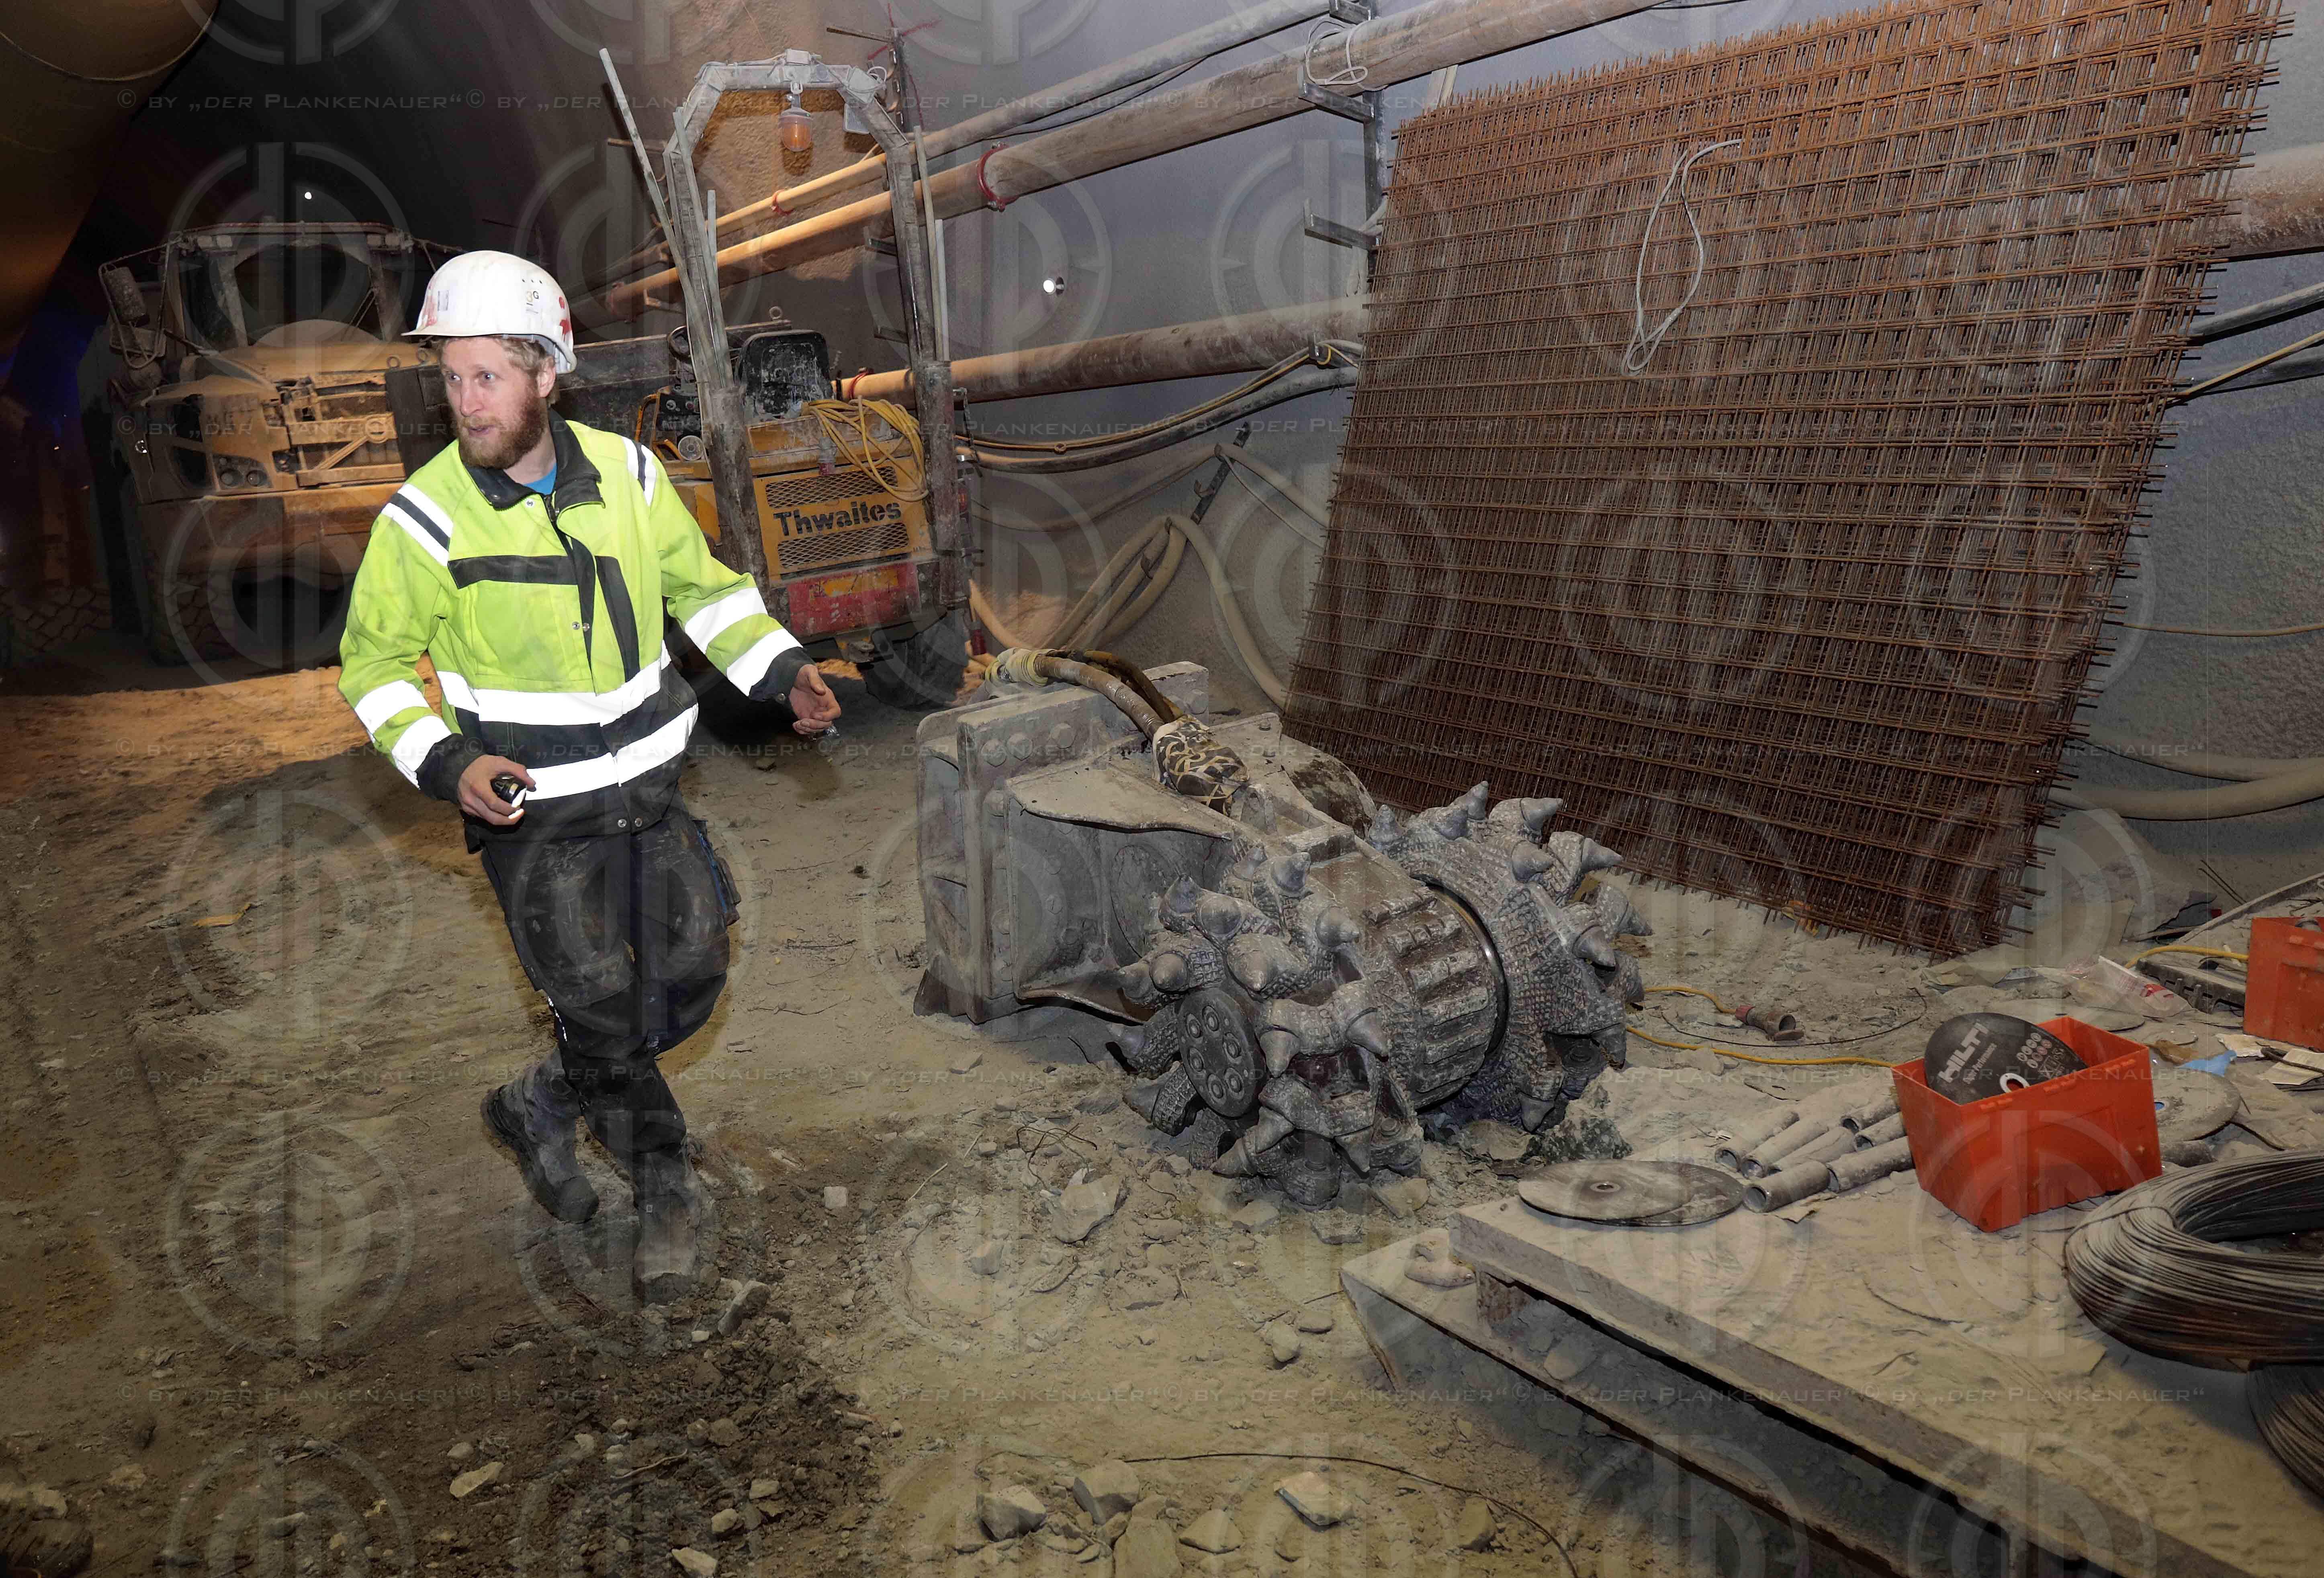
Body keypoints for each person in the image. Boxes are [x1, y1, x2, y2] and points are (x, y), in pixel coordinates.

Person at [336, 251, 840, 1303]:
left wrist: (783, 671)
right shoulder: (423, 522)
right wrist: (448, 760)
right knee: (605, 1011)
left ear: (546, 373)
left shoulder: (632, 476)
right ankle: (664, 1186)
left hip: (651, 800)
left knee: (694, 971)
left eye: (488, 376)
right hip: (536, 824)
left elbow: (704, 594)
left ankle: (539, 1103)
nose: (465, 400)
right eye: (453, 377)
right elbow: (374, 668)